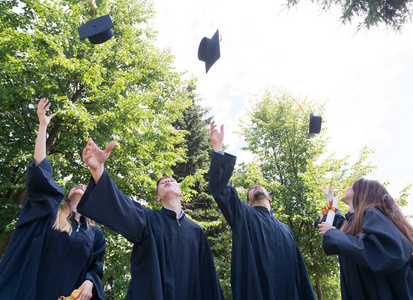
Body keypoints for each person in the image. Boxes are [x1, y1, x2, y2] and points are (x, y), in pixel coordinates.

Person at [77, 137, 225, 300]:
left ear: (181, 192)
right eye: (162, 183)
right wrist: (98, 170)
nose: (167, 181)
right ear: (158, 198)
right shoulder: (148, 219)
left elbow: (208, 278)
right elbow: (121, 204)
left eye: (172, 180)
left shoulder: (196, 232)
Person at [0, 98, 106, 300]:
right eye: (76, 185)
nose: (81, 185)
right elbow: (40, 174)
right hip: (31, 291)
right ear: (67, 195)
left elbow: (96, 266)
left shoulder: (95, 234)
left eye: (85, 186)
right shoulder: (50, 215)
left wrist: (89, 281)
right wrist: (42, 126)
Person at [208, 121, 316, 300]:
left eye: (259, 186)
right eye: (251, 189)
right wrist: (218, 147)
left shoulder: (286, 231)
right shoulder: (243, 214)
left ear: (270, 198)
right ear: (248, 202)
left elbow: (301, 275)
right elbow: (220, 189)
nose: (256, 186)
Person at [317, 179, 413, 300]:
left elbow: (385, 253)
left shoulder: (373, 214)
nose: (347, 187)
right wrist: (330, 201)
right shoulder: (351, 224)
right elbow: (334, 223)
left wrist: (332, 233)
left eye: (352, 185)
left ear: (362, 192)